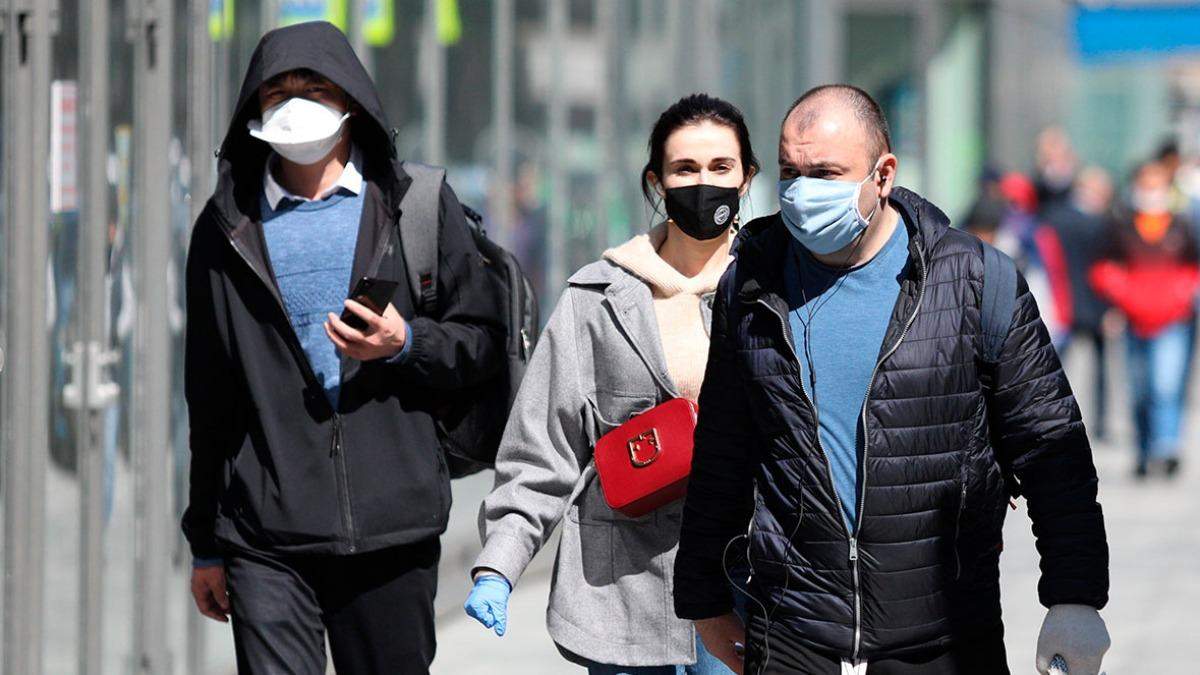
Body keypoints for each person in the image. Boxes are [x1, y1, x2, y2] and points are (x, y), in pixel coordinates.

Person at [673, 85, 1110, 675]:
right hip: (794, 631)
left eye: (826, 173)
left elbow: (1051, 446)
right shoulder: (750, 285)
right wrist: (705, 600)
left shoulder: (977, 281)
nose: (802, 193)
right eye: (790, 172)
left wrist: (1074, 597)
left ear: (883, 175)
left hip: (944, 633)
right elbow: (723, 451)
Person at [182, 22, 503, 674]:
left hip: (392, 527)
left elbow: (481, 342)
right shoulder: (224, 228)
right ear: (254, 108)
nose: (296, 105)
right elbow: (208, 393)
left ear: (351, 100)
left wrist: (405, 342)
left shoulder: (416, 206)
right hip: (266, 533)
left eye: (316, 88)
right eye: (278, 92)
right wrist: (205, 542)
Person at [465, 94, 758, 674]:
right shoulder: (597, 298)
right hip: (622, 592)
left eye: (720, 167)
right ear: (656, 182)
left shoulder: (777, 290)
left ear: (746, 178)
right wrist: (500, 562)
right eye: (685, 169)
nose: (704, 183)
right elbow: (543, 443)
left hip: (744, 582)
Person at [1090, 161, 1199, 478]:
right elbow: (1103, 267)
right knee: (1139, 390)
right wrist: (1119, 293)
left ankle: (1166, 447)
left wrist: (1182, 292)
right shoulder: (1121, 226)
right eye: (1146, 185)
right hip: (1133, 320)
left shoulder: (1181, 225)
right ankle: (1143, 449)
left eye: (1157, 185)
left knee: (1165, 385)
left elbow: (1193, 267)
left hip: (1173, 320)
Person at [1042, 167, 1116, 439]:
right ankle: (1100, 423)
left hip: (1065, 302)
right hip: (1095, 303)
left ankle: (1053, 417)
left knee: (1056, 367)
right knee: (1099, 369)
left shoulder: (1055, 217)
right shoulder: (1105, 223)